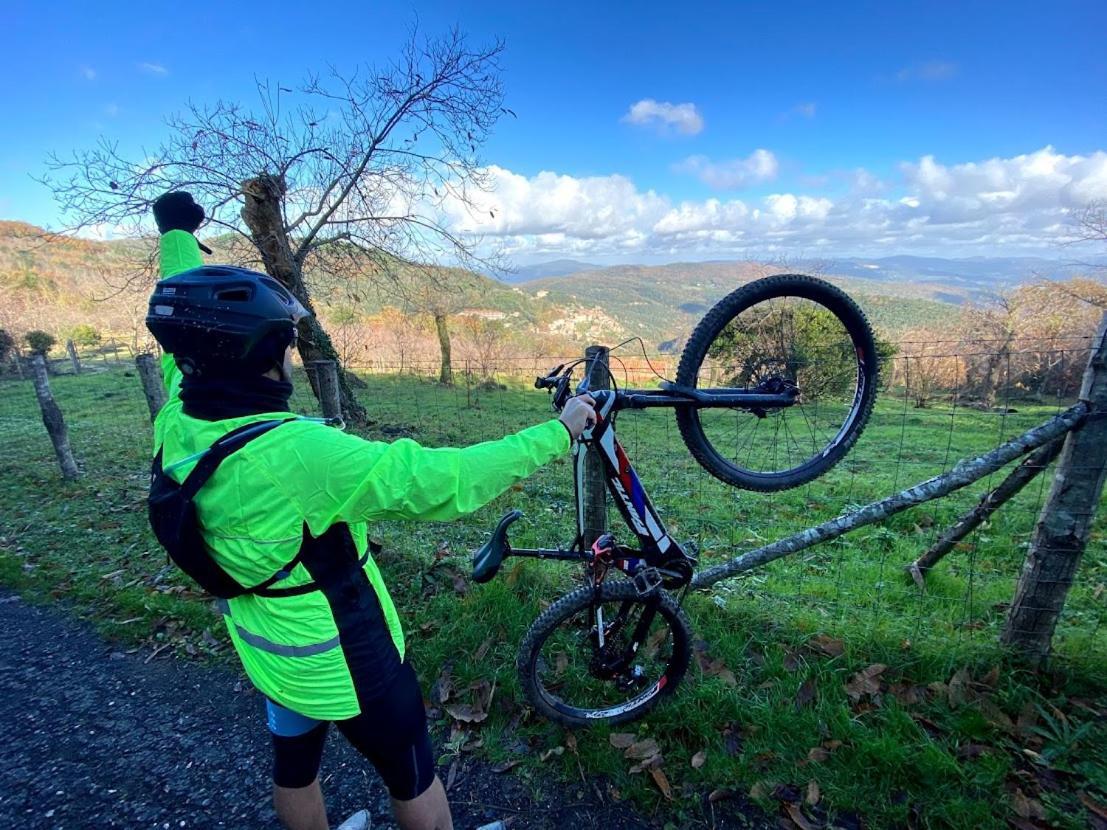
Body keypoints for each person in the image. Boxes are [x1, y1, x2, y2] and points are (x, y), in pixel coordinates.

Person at [145, 191, 596, 830]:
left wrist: (176, 235)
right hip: (345, 650)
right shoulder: (301, 454)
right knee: (412, 771)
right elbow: (449, 481)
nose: (288, 359)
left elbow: (183, 315)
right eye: (279, 346)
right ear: (256, 359)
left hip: (264, 643)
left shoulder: (178, 413)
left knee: (294, 765)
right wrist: (560, 430)